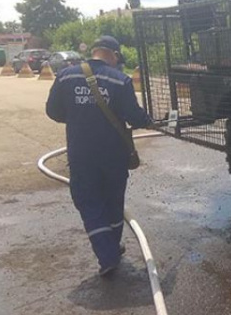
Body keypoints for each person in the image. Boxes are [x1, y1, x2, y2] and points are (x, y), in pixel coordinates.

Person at [46, 35, 152, 276]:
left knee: (89, 202)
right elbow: (134, 117)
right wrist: (148, 120)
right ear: (113, 55)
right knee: (113, 200)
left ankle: (108, 254)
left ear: (93, 51)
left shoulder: (66, 76)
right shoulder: (119, 80)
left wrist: (78, 116)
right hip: (113, 154)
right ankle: (110, 251)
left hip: (81, 154)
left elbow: (53, 111)